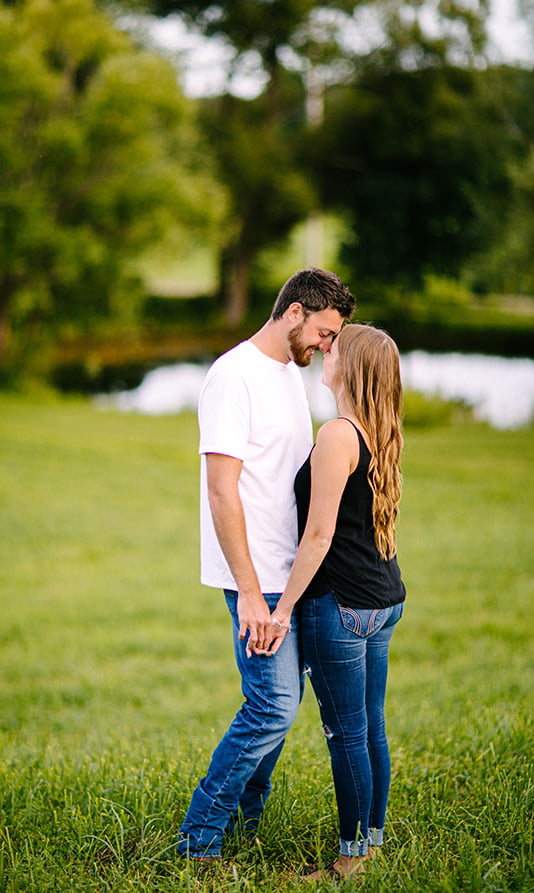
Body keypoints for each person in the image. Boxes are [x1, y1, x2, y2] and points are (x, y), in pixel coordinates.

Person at [179, 269, 356, 862]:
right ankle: (199, 838)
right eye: (326, 333)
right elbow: (223, 491)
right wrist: (251, 595)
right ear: (295, 312)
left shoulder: (287, 374)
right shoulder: (233, 376)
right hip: (255, 579)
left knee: (282, 708)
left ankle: (246, 823)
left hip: (293, 577)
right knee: (273, 707)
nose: (327, 347)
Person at [263, 324, 408, 881]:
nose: (327, 348)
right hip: (383, 600)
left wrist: (281, 610)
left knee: (347, 733)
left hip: (342, 607)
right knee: (370, 725)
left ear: (351, 369)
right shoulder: (376, 429)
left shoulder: (336, 436)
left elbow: (318, 537)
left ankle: (349, 861)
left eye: (335, 347)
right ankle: (369, 843)